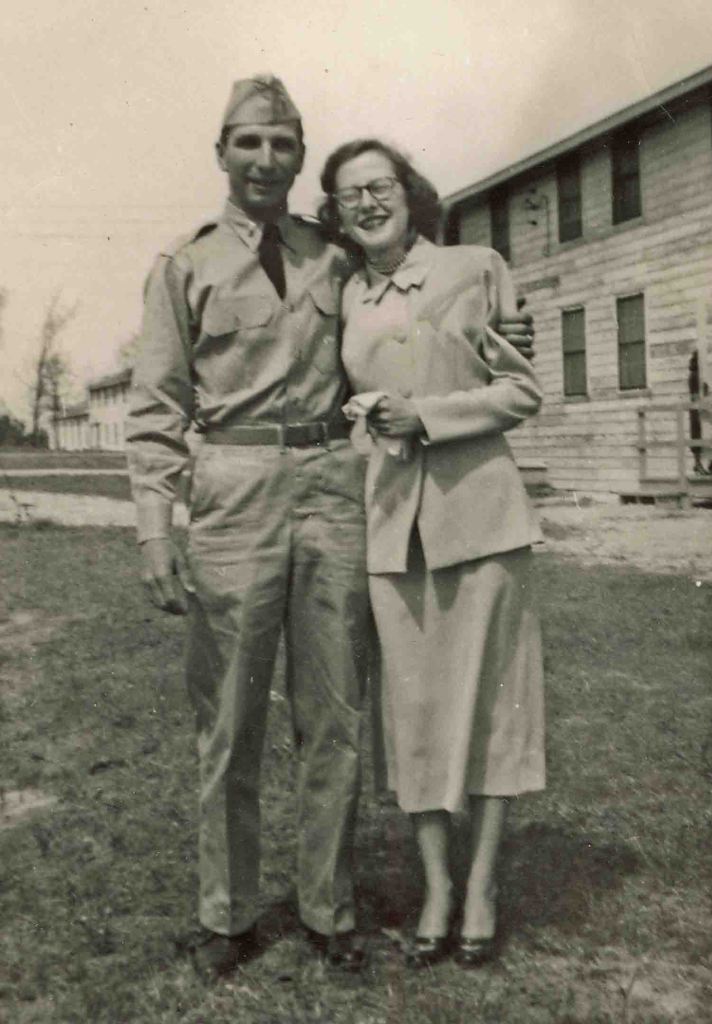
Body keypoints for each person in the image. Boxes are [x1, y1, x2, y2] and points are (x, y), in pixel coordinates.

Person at [125, 77, 536, 980]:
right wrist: (157, 527)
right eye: (248, 144)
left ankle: (327, 908)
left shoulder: (336, 259)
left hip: (336, 488)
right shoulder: (184, 266)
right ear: (222, 153)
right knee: (229, 714)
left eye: (282, 145)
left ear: (299, 157)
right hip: (232, 487)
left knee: (336, 712)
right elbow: (155, 409)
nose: (265, 160)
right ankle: (225, 912)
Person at [319, 138, 545, 969]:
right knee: (412, 716)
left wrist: (429, 415)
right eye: (350, 196)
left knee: (491, 708)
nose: (368, 204)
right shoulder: (345, 295)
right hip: (390, 524)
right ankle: (437, 887)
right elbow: (341, 398)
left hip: (481, 517)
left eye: (380, 186)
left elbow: (523, 388)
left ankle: (481, 886)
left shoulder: (476, 267)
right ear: (337, 214)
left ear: (411, 192)